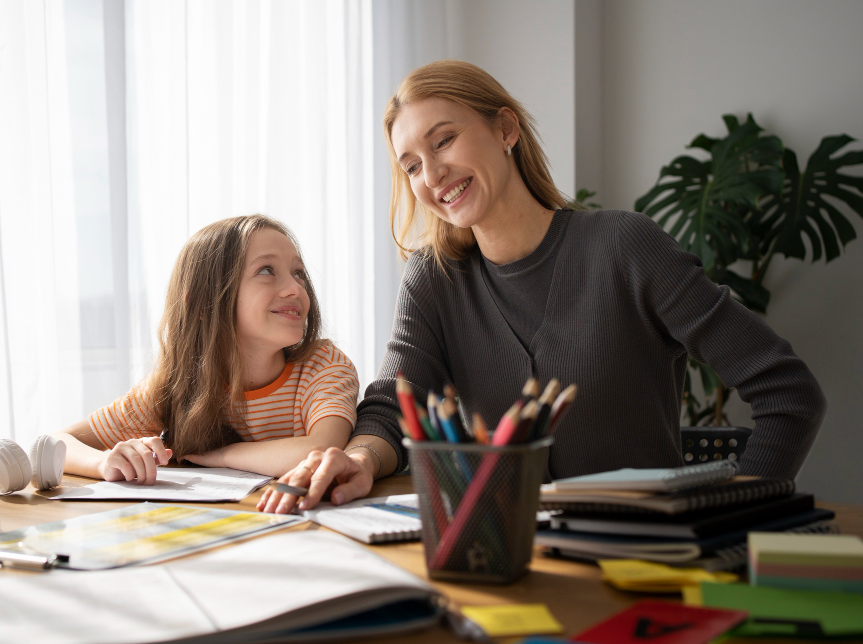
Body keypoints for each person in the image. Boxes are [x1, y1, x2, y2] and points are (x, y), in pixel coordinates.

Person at [258, 60, 826, 515]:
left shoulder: (625, 247)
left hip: (648, 556)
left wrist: (740, 510)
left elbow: (788, 390)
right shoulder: (434, 276)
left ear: (505, 129)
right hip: (510, 558)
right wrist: (360, 455)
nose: (430, 176)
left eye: (444, 141)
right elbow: (395, 405)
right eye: (409, 165)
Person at [55, 214, 359, 484]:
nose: (295, 288)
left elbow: (321, 451)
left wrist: (223, 456)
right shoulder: (173, 387)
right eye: (266, 270)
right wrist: (105, 461)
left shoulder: (324, 366)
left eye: (298, 273)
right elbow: (54, 444)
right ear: (203, 303)